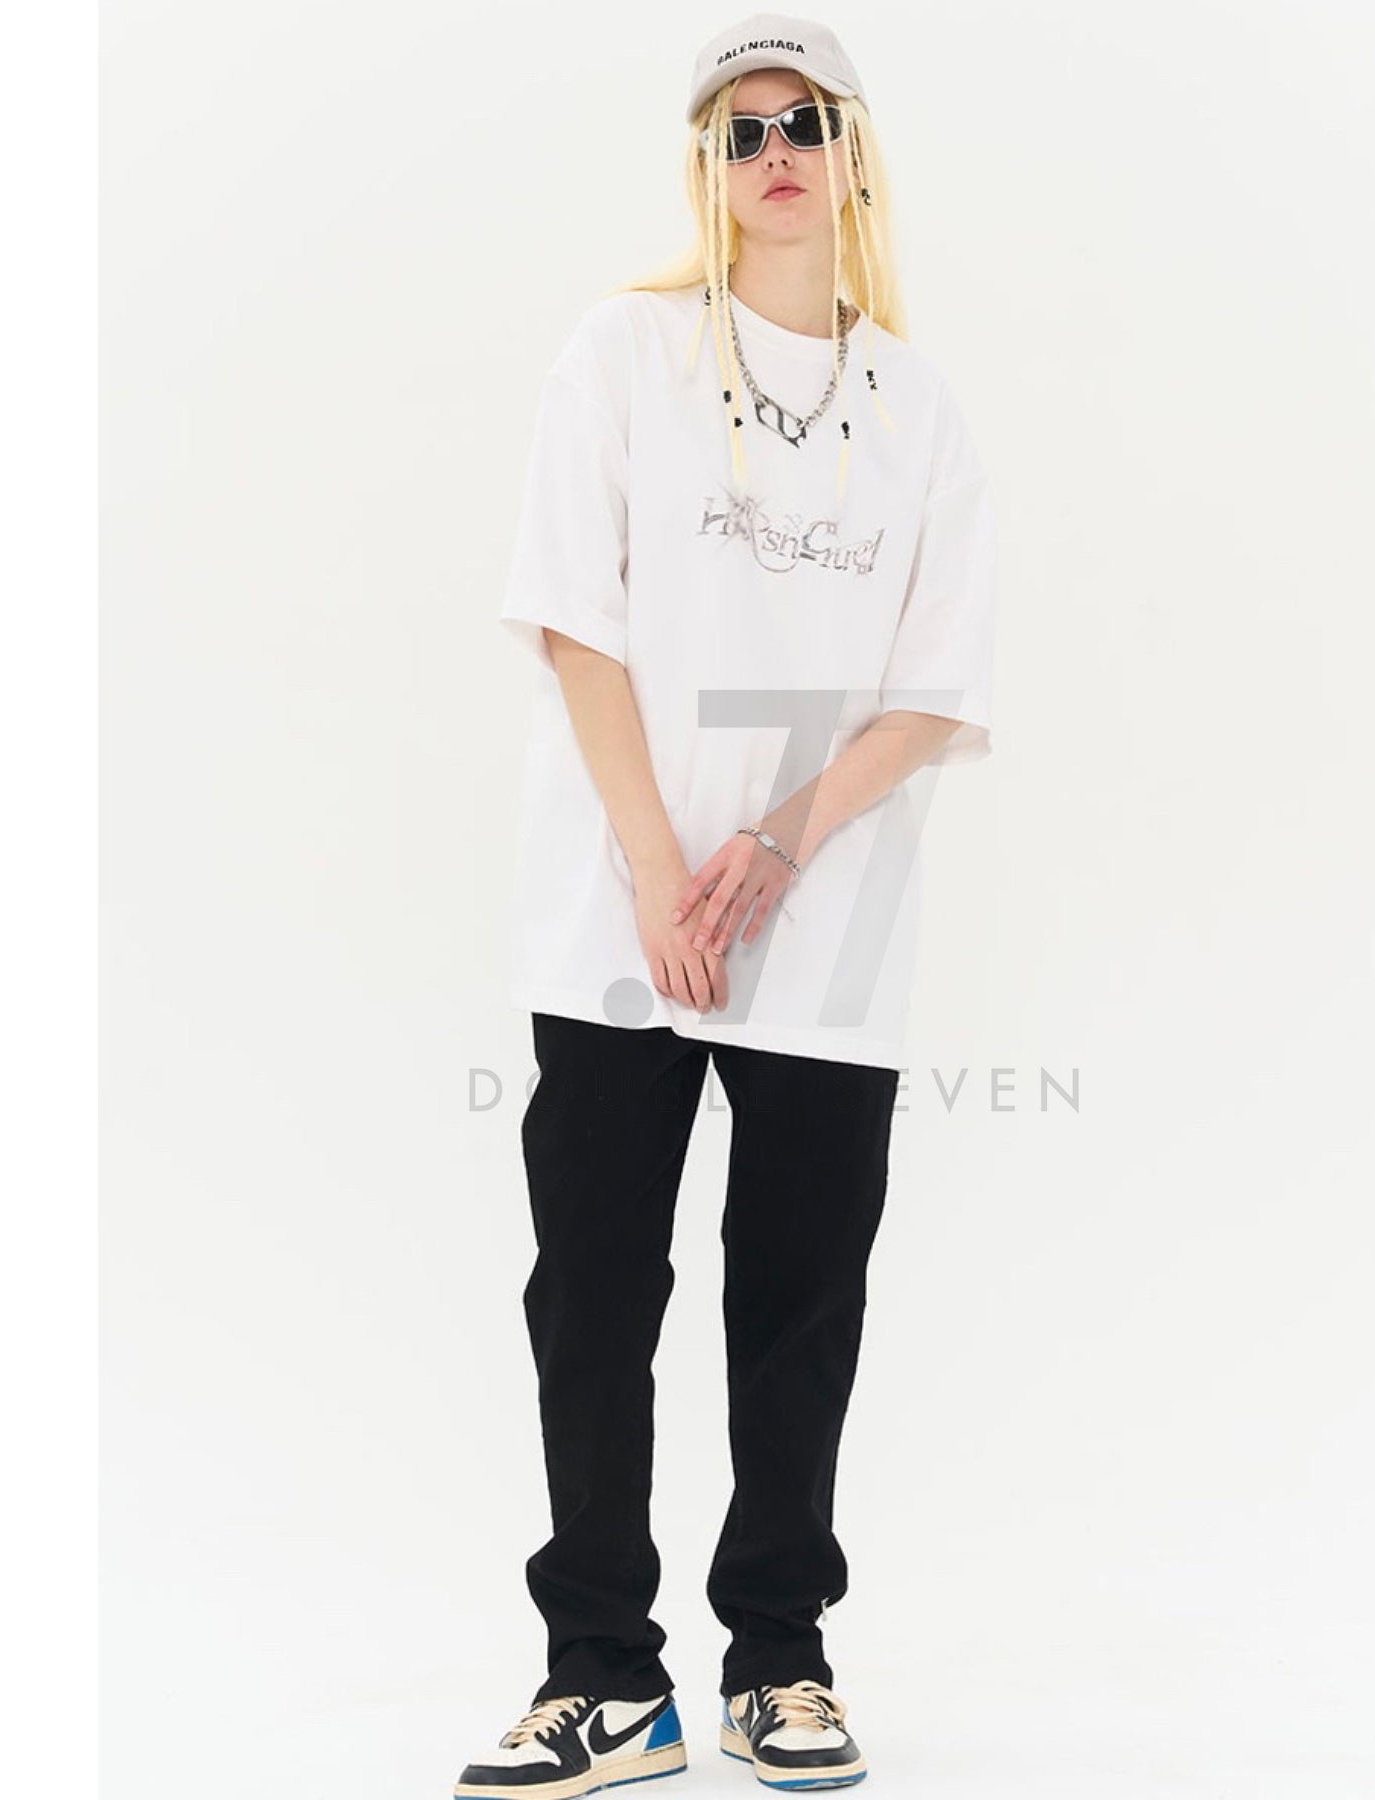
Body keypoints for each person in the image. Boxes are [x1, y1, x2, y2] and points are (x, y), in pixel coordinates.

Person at [455, 13, 999, 1797]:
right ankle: (605, 1675)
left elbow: (931, 692)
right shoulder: (623, 354)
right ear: (707, 165)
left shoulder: (918, 410)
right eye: (740, 129)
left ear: (852, 156)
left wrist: (770, 848)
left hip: (824, 923)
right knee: (595, 1289)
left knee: (800, 1292)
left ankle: (780, 1655)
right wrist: (654, 870)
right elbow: (574, 619)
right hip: (619, 913)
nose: (775, 151)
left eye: (805, 122)